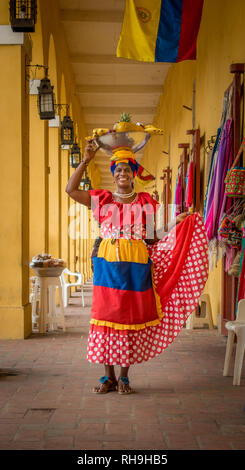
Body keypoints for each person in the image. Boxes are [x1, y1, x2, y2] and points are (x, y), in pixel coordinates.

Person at [66, 141, 209, 394]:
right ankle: (107, 377)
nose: (122, 174)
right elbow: (70, 189)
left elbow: (154, 236)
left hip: (137, 265)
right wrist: (86, 159)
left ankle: (124, 378)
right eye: (118, 170)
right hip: (107, 265)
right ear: (113, 174)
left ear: (134, 174)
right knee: (106, 318)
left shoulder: (145, 202)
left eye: (127, 170)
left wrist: (177, 222)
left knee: (129, 318)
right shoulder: (102, 199)